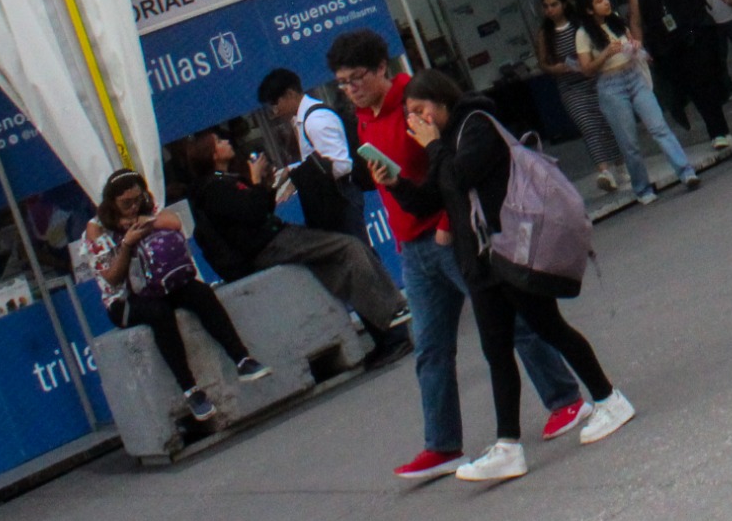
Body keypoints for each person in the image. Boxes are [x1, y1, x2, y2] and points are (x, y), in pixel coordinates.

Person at [325, 28, 586, 481]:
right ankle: (442, 444)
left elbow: (451, 162)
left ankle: (566, 400)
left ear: (382, 68)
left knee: (515, 325)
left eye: (356, 78)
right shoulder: (362, 117)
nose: (350, 89)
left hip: (450, 236)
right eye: (342, 83)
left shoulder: (416, 100)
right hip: (412, 247)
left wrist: (449, 225)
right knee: (430, 347)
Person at [365, 70, 633, 484]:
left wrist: (433, 147)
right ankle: (508, 446)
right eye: (410, 113)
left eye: (420, 110)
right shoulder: (447, 142)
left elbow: (457, 178)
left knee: (550, 328)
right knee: (497, 352)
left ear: (441, 102)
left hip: (508, 251)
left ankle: (609, 399)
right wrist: (396, 182)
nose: (416, 120)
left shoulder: (476, 126)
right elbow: (432, 198)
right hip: (480, 263)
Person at [177, 129, 409, 359]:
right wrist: (257, 180)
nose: (226, 142)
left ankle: (387, 333)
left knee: (342, 260)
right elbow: (252, 212)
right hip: (269, 245)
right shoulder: (213, 188)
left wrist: (265, 184)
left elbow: (256, 206)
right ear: (211, 154)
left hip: (274, 239)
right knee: (348, 246)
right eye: (218, 142)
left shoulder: (224, 181)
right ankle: (392, 311)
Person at [80, 169, 268, 423]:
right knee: (159, 314)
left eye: (137, 199)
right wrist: (126, 243)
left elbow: (173, 222)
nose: (133, 206)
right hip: (125, 299)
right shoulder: (97, 229)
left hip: (158, 283)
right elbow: (111, 278)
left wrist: (145, 222)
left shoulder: (144, 209)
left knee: (199, 293)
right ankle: (190, 389)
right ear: (112, 203)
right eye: (126, 203)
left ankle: (242, 358)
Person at [570, 0, 701, 200]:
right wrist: (605, 54)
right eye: (599, 0)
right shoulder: (583, 34)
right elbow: (586, 69)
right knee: (629, 142)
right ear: (589, 10)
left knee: (659, 126)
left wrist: (637, 48)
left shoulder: (616, 22)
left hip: (633, 76)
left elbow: (632, 45)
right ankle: (642, 188)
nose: (606, 2)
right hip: (611, 85)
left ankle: (686, 171)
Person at [629, 0, 732, 149]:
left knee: (704, 82)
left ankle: (718, 131)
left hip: (697, 34)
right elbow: (636, 20)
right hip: (667, 45)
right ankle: (715, 126)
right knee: (690, 86)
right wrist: (639, 47)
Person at [257, 68, 366, 239]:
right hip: (332, 199)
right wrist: (293, 171)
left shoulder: (316, 121)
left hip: (341, 199)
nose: (274, 111)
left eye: (275, 103)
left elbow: (341, 165)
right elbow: (318, 160)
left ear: (290, 94)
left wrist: (299, 176)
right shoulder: (303, 119)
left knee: (357, 254)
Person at [534, 0, 621, 193]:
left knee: (607, 123)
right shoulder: (545, 33)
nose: (550, 10)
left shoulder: (579, 25)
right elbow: (544, 62)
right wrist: (554, 68)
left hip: (593, 79)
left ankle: (620, 163)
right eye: (546, 6)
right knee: (589, 126)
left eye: (554, 5)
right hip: (571, 87)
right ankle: (604, 171)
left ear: (564, 4)